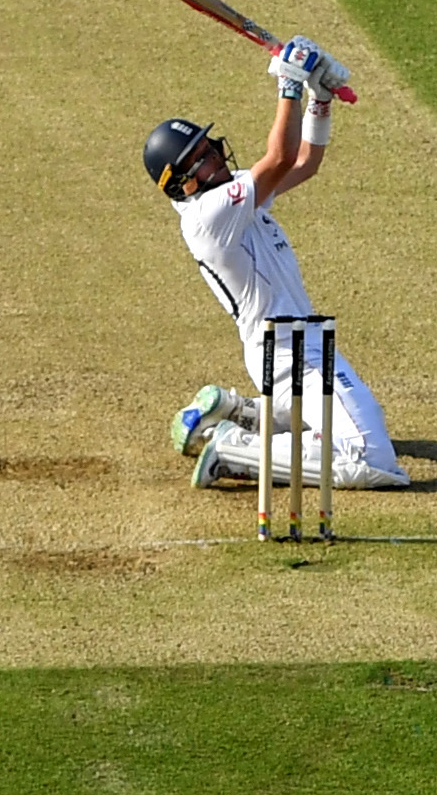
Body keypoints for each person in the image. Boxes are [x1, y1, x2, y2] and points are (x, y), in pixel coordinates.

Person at [149, 39, 411, 491]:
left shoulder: (230, 198)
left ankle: (238, 413)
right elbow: (280, 157)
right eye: (203, 156)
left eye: (210, 145)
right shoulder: (209, 216)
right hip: (288, 351)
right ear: (184, 181)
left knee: (325, 418)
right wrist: (288, 84)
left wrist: (320, 99)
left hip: (298, 344)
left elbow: (305, 163)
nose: (216, 154)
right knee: (372, 459)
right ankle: (232, 448)